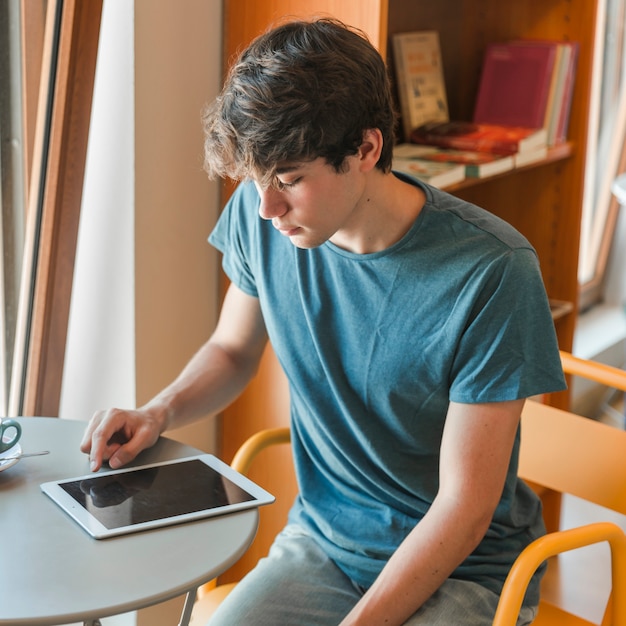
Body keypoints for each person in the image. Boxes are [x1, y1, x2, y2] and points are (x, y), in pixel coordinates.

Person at [81, 18, 566, 625]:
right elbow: (233, 351)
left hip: (463, 569)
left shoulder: (492, 271)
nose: (267, 207)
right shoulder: (264, 218)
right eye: (255, 180)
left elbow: (465, 510)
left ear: (365, 150)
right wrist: (159, 410)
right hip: (326, 547)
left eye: (288, 180)